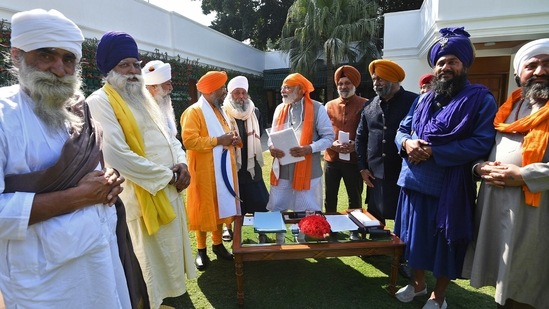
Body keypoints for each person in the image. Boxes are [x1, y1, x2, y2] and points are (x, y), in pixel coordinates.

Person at [0, 9, 131, 308]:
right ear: (18, 55)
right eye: (46, 55)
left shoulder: (77, 109)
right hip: (42, 277)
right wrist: (78, 197)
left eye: (68, 58)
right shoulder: (3, 116)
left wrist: (108, 181)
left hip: (100, 253)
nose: (59, 69)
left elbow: (89, 168)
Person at [86, 31, 196, 309]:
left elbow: (169, 136)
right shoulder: (100, 101)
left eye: (136, 64)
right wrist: (168, 176)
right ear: (109, 69)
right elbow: (117, 155)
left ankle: (157, 304)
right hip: (140, 197)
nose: (134, 71)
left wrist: (182, 162)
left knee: (165, 262)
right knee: (143, 264)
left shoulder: (143, 97)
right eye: (125, 65)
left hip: (166, 192)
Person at [393, 27, 498, 309]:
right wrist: (407, 144)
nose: (445, 67)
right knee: (412, 239)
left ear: (464, 65)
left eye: (452, 61)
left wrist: (434, 152)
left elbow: (481, 142)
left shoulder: (481, 99)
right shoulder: (424, 97)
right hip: (413, 182)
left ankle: (438, 295)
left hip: (449, 187)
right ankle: (417, 284)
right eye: (440, 62)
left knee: (444, 245)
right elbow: (402, 129)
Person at [462, 38, 549, 309]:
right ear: (518, 74)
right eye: (531, 65)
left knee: (529, 281)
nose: (540, 71)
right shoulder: (507, 109)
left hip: (535, 213)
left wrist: (524, 175)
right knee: (504, 278)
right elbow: (481, 147)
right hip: (496, 207)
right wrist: (479, 167)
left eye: (547, 64)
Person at [180, 71, 241, 270]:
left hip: (222, 170)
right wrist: (218, 141)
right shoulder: (194, 112)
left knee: (218, 206)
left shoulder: (219, 111)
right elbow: (189, 141)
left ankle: (217, 245)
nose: (225, 92)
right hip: (204, 172)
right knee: (203, 208)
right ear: (212, 90)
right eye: (222, 88)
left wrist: (232, 140)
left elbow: (225, 136)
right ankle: (201, 250)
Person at [267, 73, 334, 242]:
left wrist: (308, 149)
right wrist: (271, 147)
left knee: (306, 206)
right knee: (277, 205)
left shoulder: (318, 108)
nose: (283, 90)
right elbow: (271, 136)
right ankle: (279, 238)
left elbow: (328, 138)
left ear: (300, 90)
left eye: (287, 87)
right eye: (283, 87)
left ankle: (301, 237)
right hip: (283, 167)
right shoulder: (279, 109)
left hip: (308, 168)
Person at [356, 59, 418, 225]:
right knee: (375, 222)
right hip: (375, 176)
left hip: (404, 173)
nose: (376, 83)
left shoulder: (415, 102)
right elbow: (361, 137)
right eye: (374, 79)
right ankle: (376, 250)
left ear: (393, 79)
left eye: (381, 79)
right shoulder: (370, 105)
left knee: (405, 221)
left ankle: (402, 251)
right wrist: (362, 167)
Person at [222, 76, 270, 243]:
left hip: (252, 165)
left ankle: (262, 231)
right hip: (231, 164)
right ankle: (230, 230)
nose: (241, 96)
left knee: (260, 201)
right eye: (237, 93)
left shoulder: (255, 111)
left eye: (243, 93)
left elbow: (261, 132)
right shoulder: (223, 111)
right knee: (232, 199)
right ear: (230, 94)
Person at [323, 66, 367, 220]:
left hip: (354, 160)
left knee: (354, 197)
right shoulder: (329, 105)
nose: (343, 87)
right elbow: (321, 131)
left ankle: (355, 230)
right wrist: (331, 144)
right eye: (340, 84)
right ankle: (329, 228)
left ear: (354, 84)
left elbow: (368, 132)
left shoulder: (365, 104)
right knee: (330, 197)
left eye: (347, 83)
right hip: (332, 159)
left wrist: (355, 145)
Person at [142, 59, 178, 137]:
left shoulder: (164, 106)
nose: (171, 88)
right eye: (168, 84)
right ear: (154, 87)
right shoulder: (142, 109)